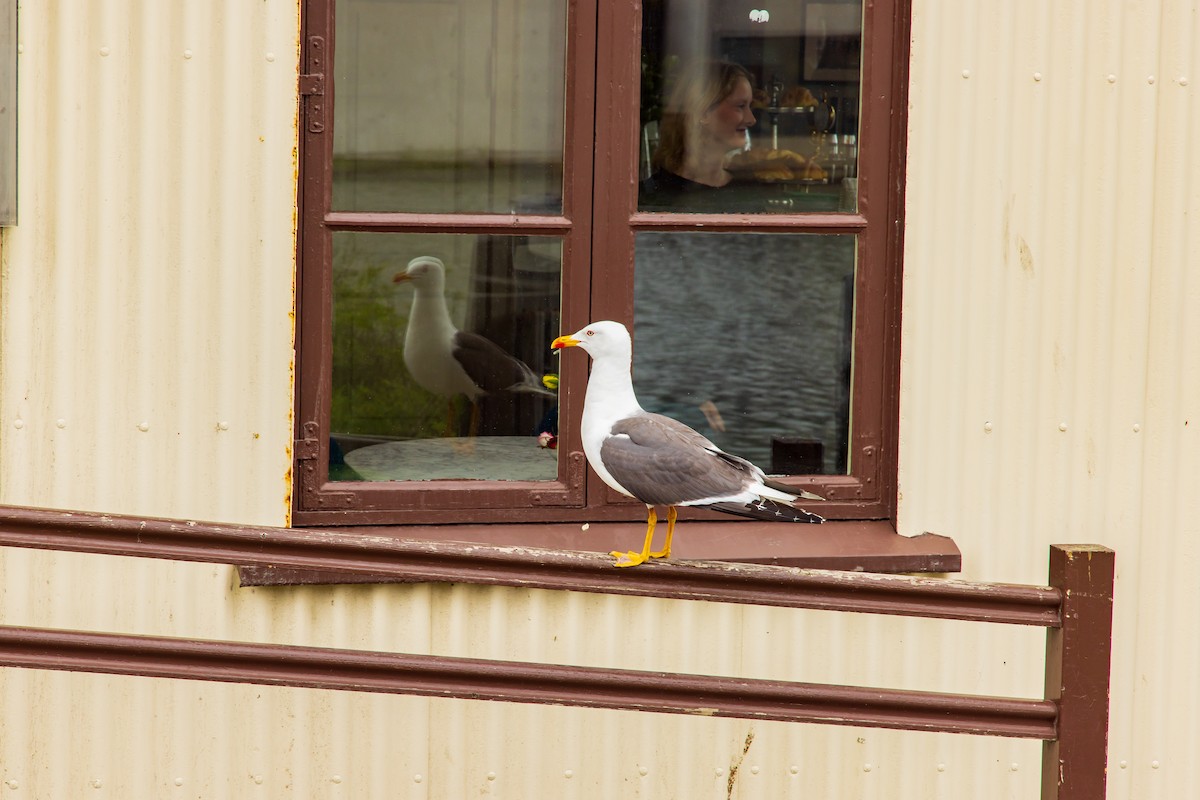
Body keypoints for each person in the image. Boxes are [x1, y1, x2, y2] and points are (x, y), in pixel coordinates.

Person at [639, 60, 758, 211]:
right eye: (740, 106)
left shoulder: (748, 191)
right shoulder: (651, 197)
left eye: (750, 106)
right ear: (702, 112)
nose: (751, 119)